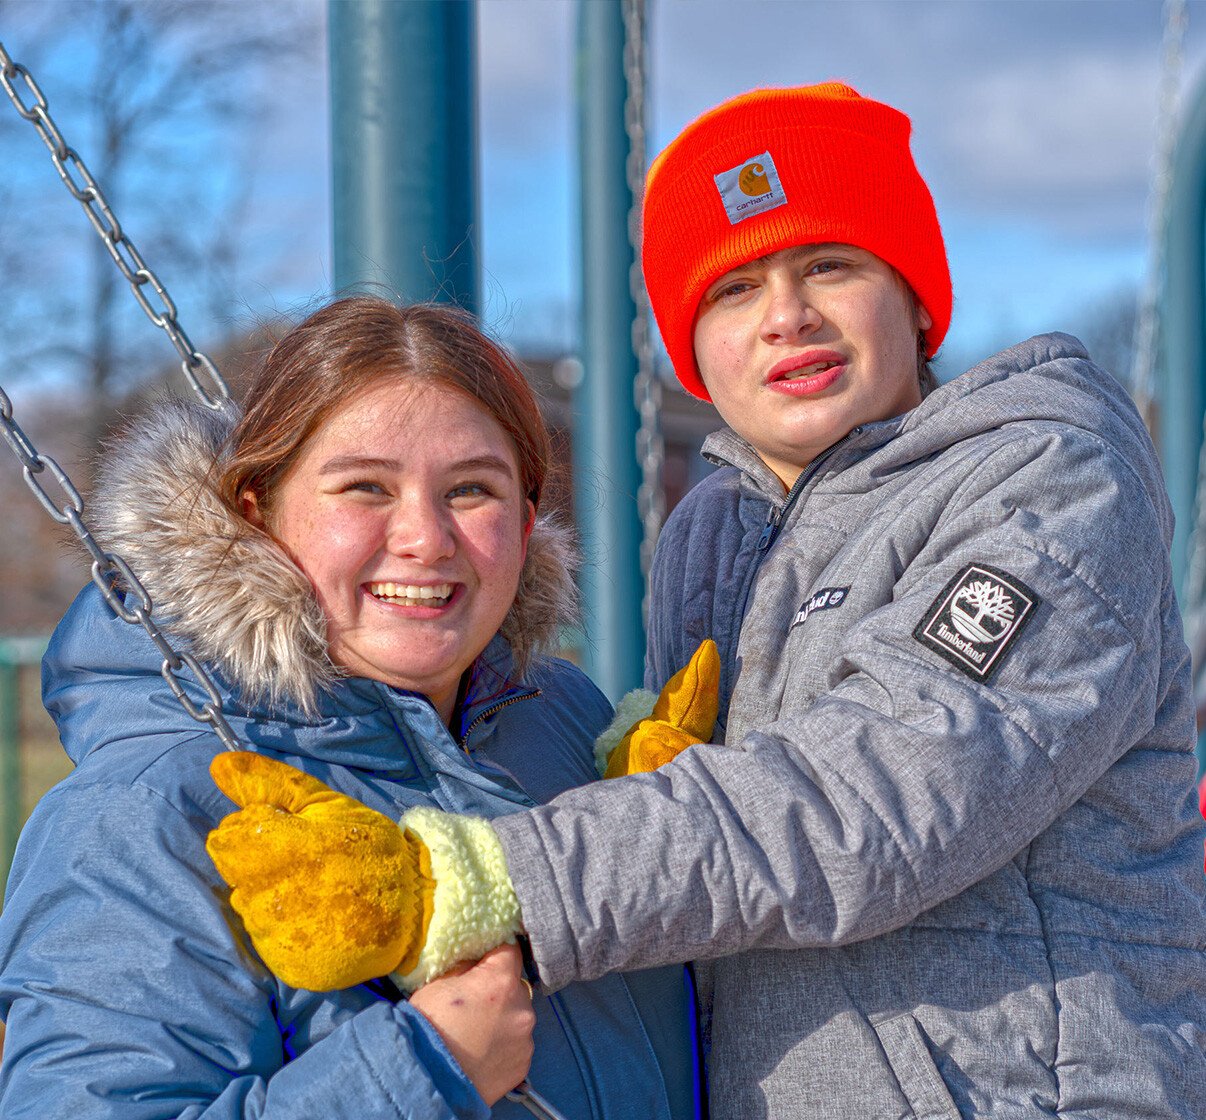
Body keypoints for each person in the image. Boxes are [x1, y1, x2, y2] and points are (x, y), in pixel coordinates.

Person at [197, 85, 1206, 1118]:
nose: (787, 316)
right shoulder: (716, 530)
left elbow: (883, 796)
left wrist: (488, 881)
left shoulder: (1048, 484)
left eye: (829, 264)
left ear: (912, 295)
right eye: (733, 288)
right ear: (692, 345)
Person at [0, 297, 699, 1119]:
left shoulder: (561, 720)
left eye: (473, 489)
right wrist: (419, 1074)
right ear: (254, 514)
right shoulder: (149, 811)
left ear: (526, 516)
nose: (426, 538)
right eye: (365, 487)